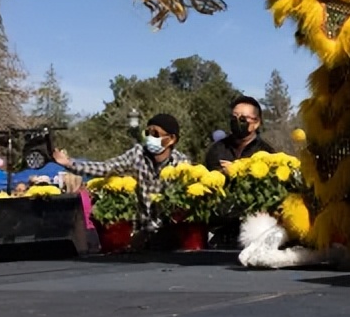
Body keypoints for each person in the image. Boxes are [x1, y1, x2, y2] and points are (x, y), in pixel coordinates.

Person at [52, 113, 189, 242]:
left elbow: (179, 208)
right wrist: (70, 164)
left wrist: (149, 231)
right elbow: (106, 168)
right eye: (147, 133)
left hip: (172, 234)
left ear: (171, 139)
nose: (150, 138)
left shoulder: (181, 164)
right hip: (139, 236)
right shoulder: (138, 153)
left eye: (155, 134)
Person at [205, 96, 274, 172]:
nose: (237, 122)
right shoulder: (217, 149)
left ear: (256, 123)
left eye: (243, 119)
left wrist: (239, 172)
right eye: (234, 117)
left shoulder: (266, 153)